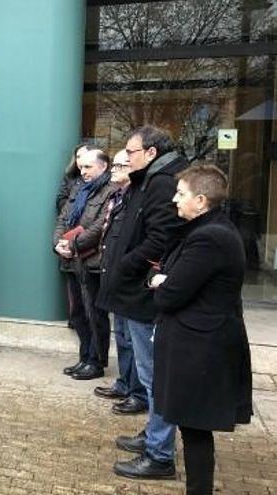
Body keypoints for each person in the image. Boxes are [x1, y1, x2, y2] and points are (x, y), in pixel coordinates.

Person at [150, 164, 252, 495]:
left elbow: (171, 293)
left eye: (181, 194)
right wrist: (167, 279)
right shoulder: (207, 231)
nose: (175, 200)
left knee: (195, 428)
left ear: (201, 200)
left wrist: (161, 282)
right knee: (192, 426)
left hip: (201, 347)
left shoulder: (209, 237)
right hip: (198, 341)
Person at [101, 125, 189, 480]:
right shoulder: (150, 180)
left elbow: (159, 239)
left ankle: (159, 454)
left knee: (154, 376)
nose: (126, 158)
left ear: (151, 153)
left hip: (142, 294)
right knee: (149, 373)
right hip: (133, 290)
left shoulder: (163, 184)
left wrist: (126, 265)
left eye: (131, 152)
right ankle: (153, 437)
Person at [93, 150, 148, 416]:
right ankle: (124, 383)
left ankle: (137, 393)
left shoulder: (139, 198)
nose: (114, 169)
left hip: (129, 278)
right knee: (123, 337)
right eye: (113, 164)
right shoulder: (118, 196)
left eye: (120, 165)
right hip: (114, 273)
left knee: (134, 340)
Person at [53, 149, 115, 380]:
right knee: (78, 313)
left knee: (95, 314)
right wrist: (58, 243)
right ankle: (84, 357)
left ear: (103, 167)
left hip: (93, 262)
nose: (83, 171)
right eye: (81, 166)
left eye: (88, 167)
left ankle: (96, 361)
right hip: (72, 260)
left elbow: (100, 226)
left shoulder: (111, 191)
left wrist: (73, 244)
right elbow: (63, 218)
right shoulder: (78, 188)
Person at [56, 143, 87, 214]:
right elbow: (61, 199)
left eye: (84, 155)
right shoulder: (70, 176)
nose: (80, 159)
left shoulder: (99, 177)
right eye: (78, 156)